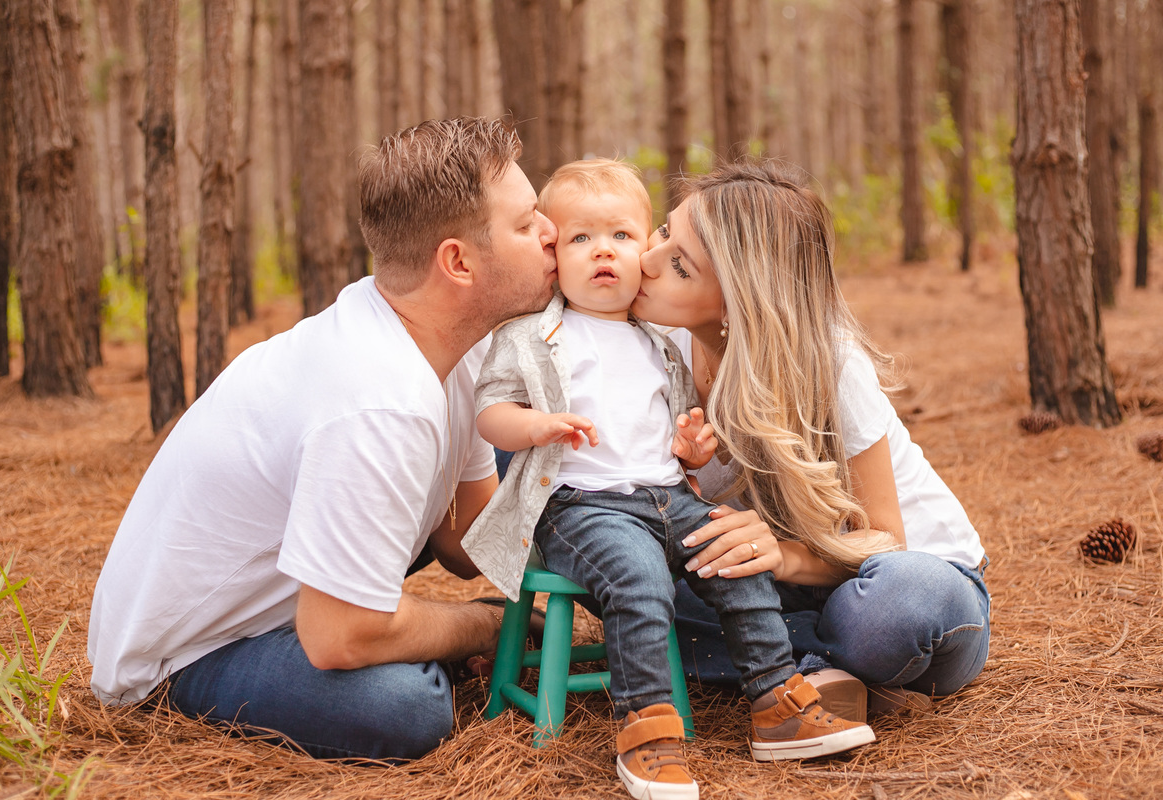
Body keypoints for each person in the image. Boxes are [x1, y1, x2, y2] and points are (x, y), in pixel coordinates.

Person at [86, 117, 560, 762]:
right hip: (189, 650)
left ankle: (398, 621)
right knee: (406, 707)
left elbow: (465, 543)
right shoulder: (377, 401)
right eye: (527, 224)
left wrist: (616, 528)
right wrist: (485, 625)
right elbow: (339, 636)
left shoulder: (447, 346)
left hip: (281, 593)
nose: (551, 234)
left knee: (520, 437)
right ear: (457, 261)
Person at [463, 159, 875, 800]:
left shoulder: (660, 339)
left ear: (645, 249)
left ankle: (776, 700)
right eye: (580, 239)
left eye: (622, 236)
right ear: (553, 256)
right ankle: (648, 731)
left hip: (667, 494)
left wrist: (690, 446)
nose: (604, 251)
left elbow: (676, 424)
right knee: (638, 577)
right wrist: (533, 427)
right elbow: (489, 412)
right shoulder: (532, 335)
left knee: (734, 561)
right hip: (580, 504)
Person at [630, 158, 990, 723]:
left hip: (896, 581)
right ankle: (825, 673)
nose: (643, 261)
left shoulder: (829, 363)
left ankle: (796, 661)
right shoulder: (654, 346)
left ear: (737, 297)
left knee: (899, 609)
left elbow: (885, 541)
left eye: (679, 265)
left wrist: (784, 555)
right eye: (663, 231)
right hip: (766, 593)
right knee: (635, 589)